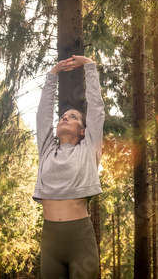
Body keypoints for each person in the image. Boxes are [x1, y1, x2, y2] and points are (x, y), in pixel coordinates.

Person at [33, 55, 105, 279]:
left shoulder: (88, 149)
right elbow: (43, 115)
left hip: (80, 240)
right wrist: (52, 74)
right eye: (63, 116)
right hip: (50, 242)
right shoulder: (47, 151)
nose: (65, 118)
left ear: (83, 130)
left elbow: (97, 110)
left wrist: (90, 66)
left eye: (72, 116)